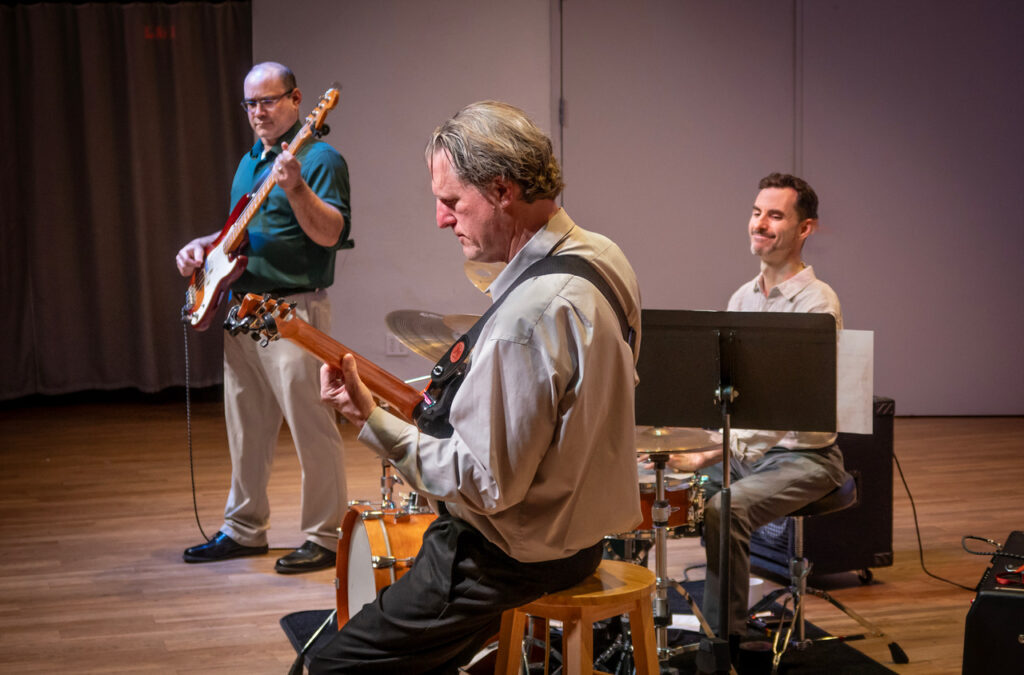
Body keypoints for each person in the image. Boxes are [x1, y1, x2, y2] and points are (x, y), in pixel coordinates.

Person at [311, 101, 643, 674]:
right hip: (582, 542)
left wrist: (370, 421)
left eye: (451, 202)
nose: (442, 220)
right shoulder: (605, 255)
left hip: (509, 557)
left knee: (334, 666)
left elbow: (486, 486)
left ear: (502, 190)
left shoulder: (528, 319)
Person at [174, 62, 351, 574]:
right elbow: (243, 233)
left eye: (268, 101)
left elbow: (330, 234)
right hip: (244, 306)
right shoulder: (250, 160)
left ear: (296, 99)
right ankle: (244, 528)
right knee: (245, 427)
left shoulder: (320, 158)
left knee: (311, 426)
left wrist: (296, 188)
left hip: (293, 309)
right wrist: (203, 247)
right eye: (250, 103)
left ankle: (325, 536)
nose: (258, 112)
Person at [664, 173, 847, 642]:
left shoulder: (817, 304)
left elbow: (786, 404)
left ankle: (725, 641)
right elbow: (733, 396)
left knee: (724, 509)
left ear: (805, 228)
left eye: (775, 215)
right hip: (749, 455)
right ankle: (625, 615)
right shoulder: (742, 298)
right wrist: (685, 444)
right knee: (657, 484)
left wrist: (709, 452)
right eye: (756, 212)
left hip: (805, 459)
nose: (760, 224)